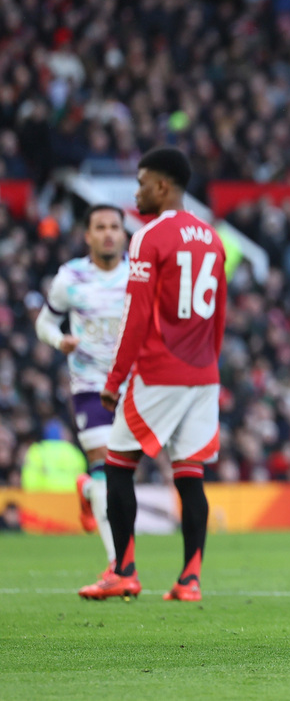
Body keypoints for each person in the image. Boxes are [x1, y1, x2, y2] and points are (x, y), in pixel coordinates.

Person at [81, 147, 227, 602]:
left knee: (118, 463)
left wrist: (114, 380)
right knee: (190, 473)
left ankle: (123, 570)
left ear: (162, 186)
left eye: (142, 181)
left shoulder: (147, 237)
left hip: (160, 369)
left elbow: (137, 315)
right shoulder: (214, 238)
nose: (137, 190)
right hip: (204, 374)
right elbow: (219, 317)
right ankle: (190, 579)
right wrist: (207, 364)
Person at [35, 203, 128, 592]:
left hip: (136, 385)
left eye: (114, 227)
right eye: (100, 227)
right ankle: (117, 567)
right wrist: (61, 341)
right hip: (91, 385)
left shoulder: (140, 275)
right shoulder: (69, 278)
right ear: (87, 235)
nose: (108, 233)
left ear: (124, 234)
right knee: (107, 469)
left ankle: (87, 490)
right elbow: (44, 321)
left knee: (122, 478)